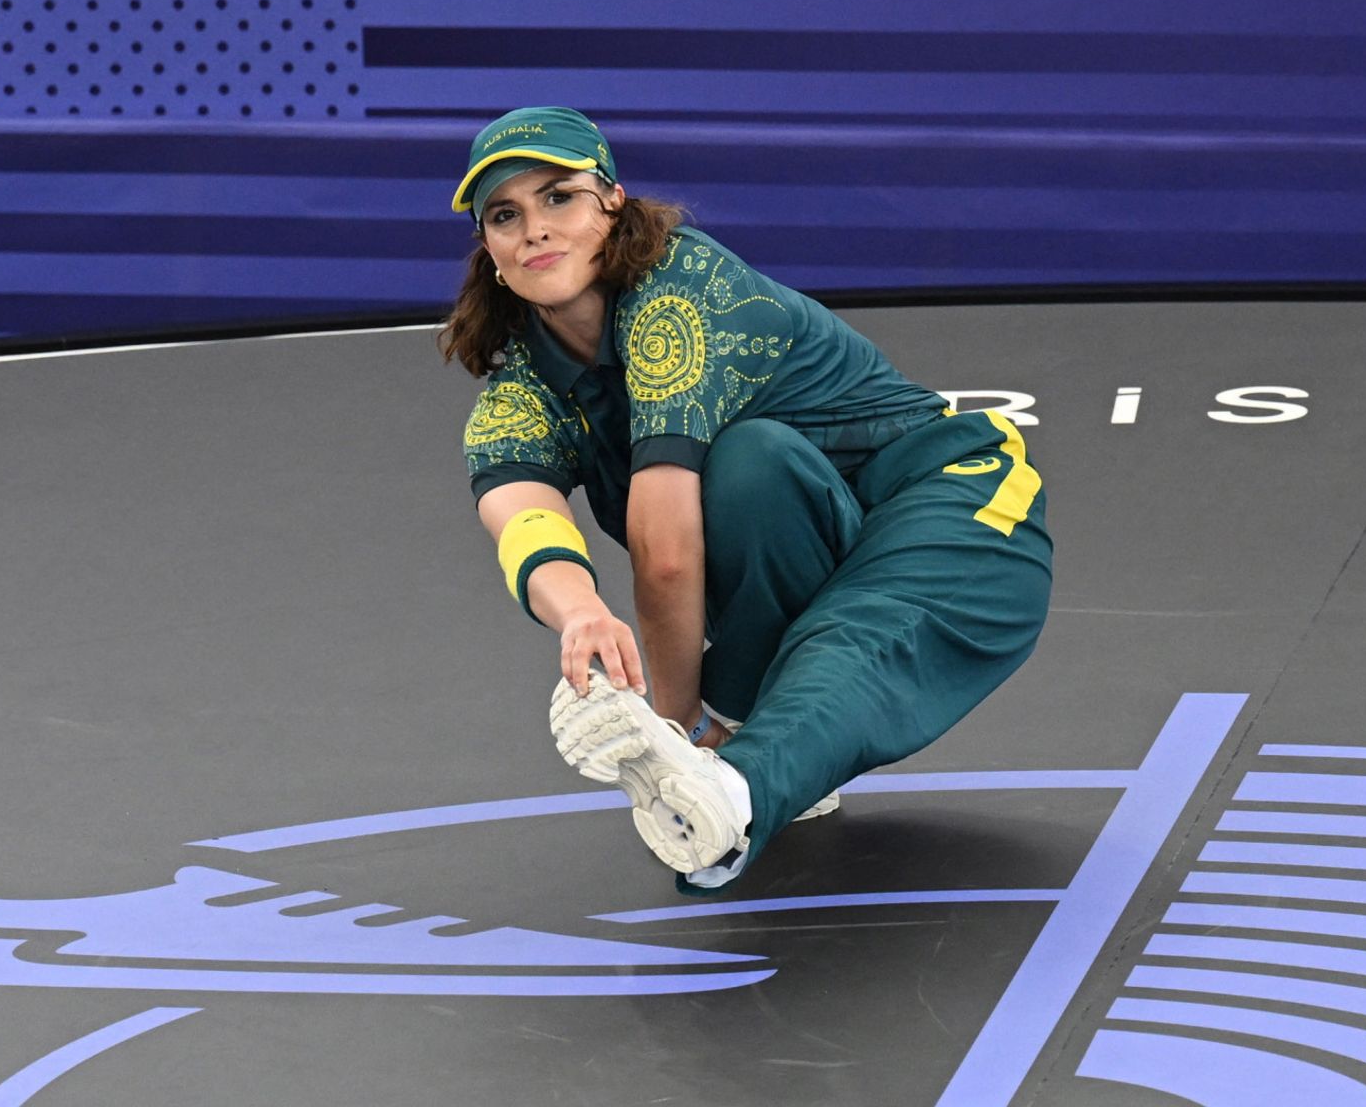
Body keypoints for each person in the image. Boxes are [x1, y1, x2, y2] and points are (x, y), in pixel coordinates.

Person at [438, 107, 1053, 892]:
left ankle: (730, 789)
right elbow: (522, 517)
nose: (535, 229)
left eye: (559, 197)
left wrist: (675, 728)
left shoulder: (680, 293)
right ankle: (766, 758)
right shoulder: (520, 393)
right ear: (488, 250)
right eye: (504, 215)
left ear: (612, 203)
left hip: (951, 497)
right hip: (814, 532)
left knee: (849, 618)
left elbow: (665, 558)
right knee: (753, 471)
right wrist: (581, 612)